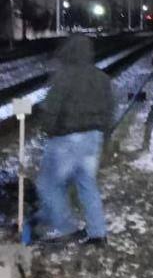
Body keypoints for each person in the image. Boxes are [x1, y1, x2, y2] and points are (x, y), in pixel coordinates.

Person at [36, 35, 113, 247]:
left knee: (48, 184)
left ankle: (67, 228)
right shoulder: (102, 78)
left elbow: (52, 109)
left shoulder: (63, 77)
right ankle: (98, 234)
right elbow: (109, 111)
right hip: (93, 139)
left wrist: (49, 131)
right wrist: (104, 135)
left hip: (67, 138)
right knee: (87, 183)